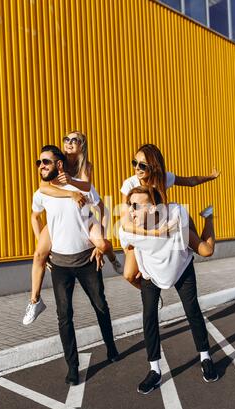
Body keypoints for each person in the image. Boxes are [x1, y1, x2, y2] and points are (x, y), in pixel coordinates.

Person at [30, 145, 119, 385]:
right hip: (60, 265)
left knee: (100, 306)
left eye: (46, 162)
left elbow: (102, 208)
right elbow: (34, 216)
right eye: (39, 163)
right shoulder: (42, 193)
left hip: (87, 261)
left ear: (59, 164)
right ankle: (73, 367)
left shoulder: (79, 185)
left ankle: (111, 346)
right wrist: (43, 247)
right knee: (64, 316)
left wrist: (101, 245)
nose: (41, 166)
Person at [119, 185, 218, 394]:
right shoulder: (128, 230)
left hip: (181, 267)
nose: (131, 211)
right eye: (130, 206)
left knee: (193, 309)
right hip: (151, 276)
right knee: (149, 316)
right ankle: (154, 370)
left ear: (155, 208)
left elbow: (177, 210)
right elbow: (125, 238)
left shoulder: (175, 220)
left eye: (137, 206)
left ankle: (205, 357)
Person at [23, 131, 122, 325]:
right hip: (59, 218)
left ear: (82, 146)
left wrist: (71, 184)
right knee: (39, 255)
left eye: (74, 140)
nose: (69, 143)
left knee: (102, 244)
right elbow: (44, 188)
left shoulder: (85, 166)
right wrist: (70, 195)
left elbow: (86, 188)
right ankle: (34, 301)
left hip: (82, 215)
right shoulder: (54, 162)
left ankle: (113, 258)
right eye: (66, 139)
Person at [120, 143, 220, 289]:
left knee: (206, 251)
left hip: (165, 223)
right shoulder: (129, 184)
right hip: (141, 231)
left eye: (142, 165)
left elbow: (190, 181)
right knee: (129, 274)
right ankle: (148, 290)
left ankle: (208, 217)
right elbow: (125, 224)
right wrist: (153, 233)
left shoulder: (163, 177)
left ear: (153, 166)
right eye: (134, 163)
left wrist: (210, 177)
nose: (136, 168)